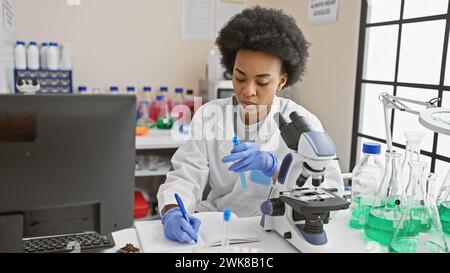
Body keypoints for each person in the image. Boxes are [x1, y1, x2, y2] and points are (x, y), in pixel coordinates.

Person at [157, 6, 344, 243]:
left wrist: (276, 168)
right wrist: (172, 211)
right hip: (215, 227)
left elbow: (330, 192)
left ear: (281, 81)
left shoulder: (303, 125)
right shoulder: (209, 115)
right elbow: (185, 175)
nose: (248, 91)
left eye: (263, 82)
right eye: (240, 77)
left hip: (278, 231)